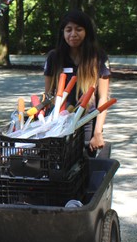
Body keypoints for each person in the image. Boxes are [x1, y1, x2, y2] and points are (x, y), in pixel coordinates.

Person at [42, 10, 111, 159]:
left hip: (87, 124)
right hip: (60, 123)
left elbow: (103, 98)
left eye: (78, 29)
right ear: (63, 32)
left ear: (87, 32)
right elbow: (48, 96)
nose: (73, 34)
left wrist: (98, 132)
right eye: (68, 29)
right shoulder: (54, 57)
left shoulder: (98, 57)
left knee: (85, 171)